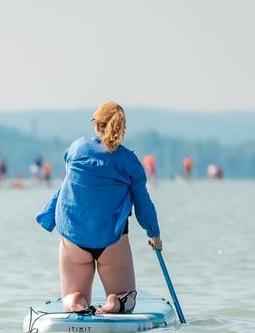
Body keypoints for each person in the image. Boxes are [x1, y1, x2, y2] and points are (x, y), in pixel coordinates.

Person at [36, 101, 162, 315]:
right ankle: (115, 302)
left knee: (72, 295)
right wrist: (154, 234)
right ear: (121, 129)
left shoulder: (76, 149)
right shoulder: (129, 162)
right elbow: (143, 204)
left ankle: (76, 301)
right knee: (127, 299)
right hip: (112, 242)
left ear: (97, 124)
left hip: (73, 239)